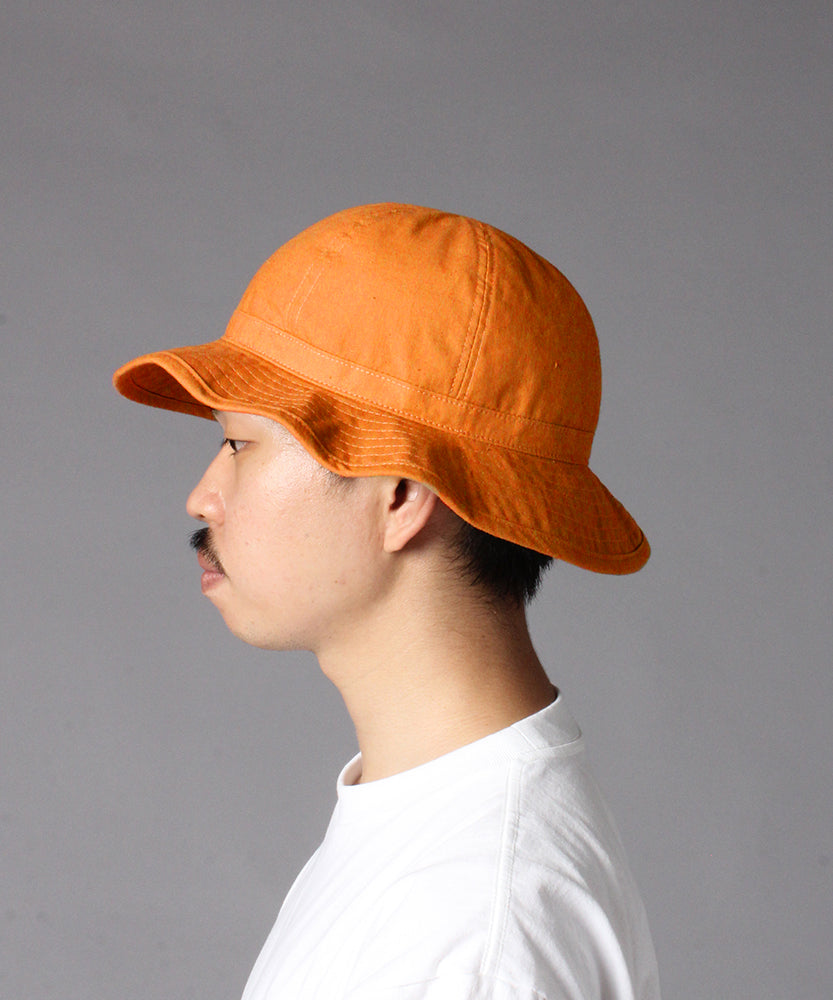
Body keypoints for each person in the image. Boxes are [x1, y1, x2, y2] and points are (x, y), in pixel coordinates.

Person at [113, 203, 660, 999]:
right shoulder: (428, 830)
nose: (203, 497)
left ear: (401, 493)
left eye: (238, 444)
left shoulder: (467, 932)